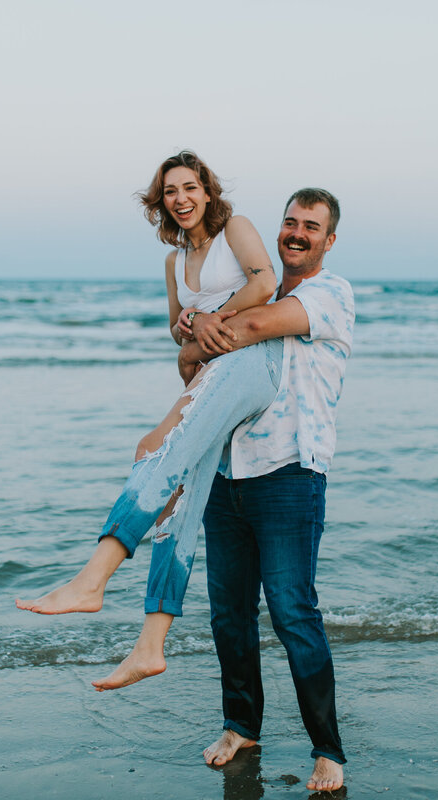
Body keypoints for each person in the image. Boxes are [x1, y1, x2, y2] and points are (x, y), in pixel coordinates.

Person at [16, 151, 279, 691]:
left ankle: (93, 579)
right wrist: (186, 323)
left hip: (252, 361)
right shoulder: (172, 262)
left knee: (156, 447)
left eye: (189, 187)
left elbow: (264, 284)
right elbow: (174, 329)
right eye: (169, 192)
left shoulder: (237, 228)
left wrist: (211, 316)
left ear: (207, 190)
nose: (180, 199)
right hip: (209, 370)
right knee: (181, 489)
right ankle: (150, 645)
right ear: (160, 202)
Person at [178, 189, 353, 793]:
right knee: (229, 614)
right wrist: (197, 330)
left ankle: (328, 751)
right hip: (227, 472)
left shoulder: (328, 295)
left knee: (292, 612)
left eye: (312, 226)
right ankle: (240, 726)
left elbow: (245, 328)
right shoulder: (251, 294)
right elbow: (189, 364)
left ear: (329, 240)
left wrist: (205, 324)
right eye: (290, 223)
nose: (296, 234)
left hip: (290, 474)